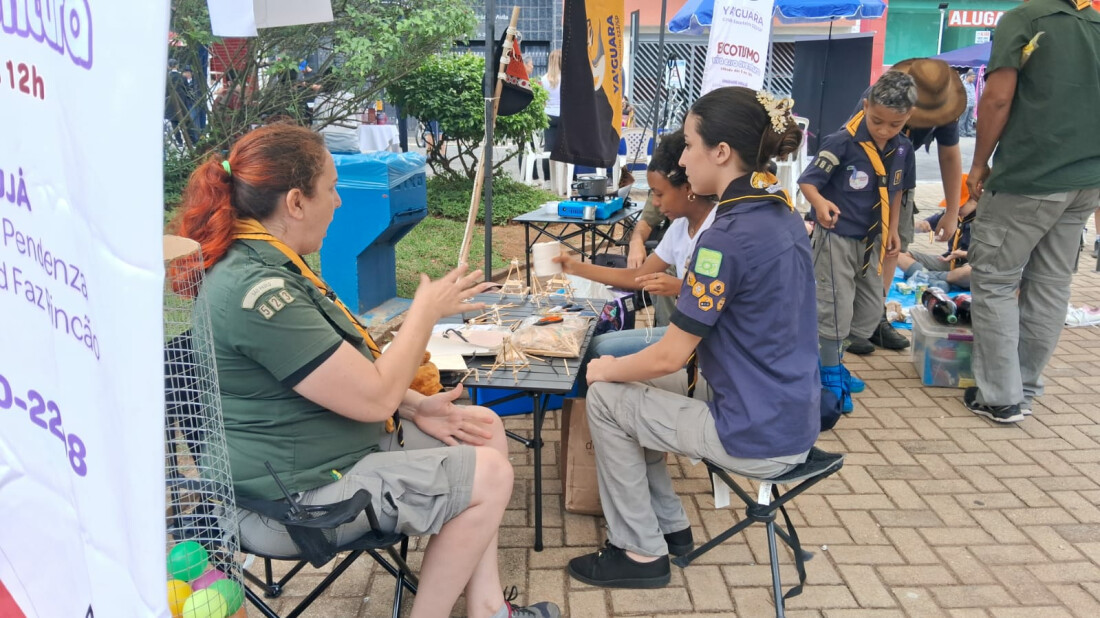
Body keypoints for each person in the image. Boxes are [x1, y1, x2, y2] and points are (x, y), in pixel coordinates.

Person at [172, 123, 560, 618]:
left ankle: (487, 608)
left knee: (483, 429)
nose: (338, 202)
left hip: (322, 453)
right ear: (296, 202)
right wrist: (423, 313)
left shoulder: (267, 262)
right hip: (289, 498)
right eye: (331, 188)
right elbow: (373, 397)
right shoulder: (257, 291)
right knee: (488, 476)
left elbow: (334, 375)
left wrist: (416, 406)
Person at [566, 87, 819, 589]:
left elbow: (668, 355)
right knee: (635, 390)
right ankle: (670, 528)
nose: (682, 159)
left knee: (606, 397)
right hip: (791, 413)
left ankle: (639, 552)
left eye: (688, 144)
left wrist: (604, 368)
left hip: (755, 431)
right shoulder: (782, 212)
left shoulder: (725, 236)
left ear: (720, 152)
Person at [963, 0, 1100, 423]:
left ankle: (1000, 397)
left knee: (995, 280)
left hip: (1029, 177)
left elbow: (997, 99)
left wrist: (979, 163)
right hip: (1085, 181)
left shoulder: (1024, 19)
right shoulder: (1095, 23)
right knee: (1051, 285)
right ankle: (1022, 387)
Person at [553, 130, 716, 389]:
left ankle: (594, 406)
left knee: (597, 353)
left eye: (659, 194)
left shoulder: (718, 229)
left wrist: (679, 287)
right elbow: (637, 277)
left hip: (708, 344)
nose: (656, 204)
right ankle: (587, 408)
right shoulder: (680, 227)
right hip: (686, 336)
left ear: (687, 189)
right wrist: (574, 266)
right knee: (594, 346)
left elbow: (721, 299)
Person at [799, 71, 916, 411]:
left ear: (908, 117)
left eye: (894, 124)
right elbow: (808, 182)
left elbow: (896, 190)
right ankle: (829, 373)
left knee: (867, 312)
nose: (884, 130)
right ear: (865, 106)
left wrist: (893, 229)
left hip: (872, 240)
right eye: (877, 121)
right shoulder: (842, 142)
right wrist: (820, 203)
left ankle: (829, 361)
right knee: (833, 306)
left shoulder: (903, 148)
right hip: (836, 237)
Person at [846, 59, 967, 354]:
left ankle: (874, 318)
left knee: (893, 247)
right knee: (856, 247)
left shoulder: (943, 103)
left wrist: (952, 212)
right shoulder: (879, 98)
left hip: (900, 181)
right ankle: (847, 321)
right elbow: (848, 147)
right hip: (861, 178)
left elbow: (949, 156)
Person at [897, 197, 977, 291]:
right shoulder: (953, 213)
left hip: (972, 262)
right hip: (949, 260)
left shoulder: (986, 219)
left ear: (974, 199)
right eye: (953, 204)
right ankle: (935, 280)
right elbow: (925, 223)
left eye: (961, 205)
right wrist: (919, 226)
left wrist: (965, 254)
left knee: (972, 272)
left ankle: (927, 277)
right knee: (898, 255)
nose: (956, 208)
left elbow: (991, 257)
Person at [541, 50, 563, 192]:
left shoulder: (544, 79)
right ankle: (565, 179)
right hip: (563, 117)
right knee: (565, 148)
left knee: (548, 148)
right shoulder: (566, 78)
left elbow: (543, 100)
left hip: (548, 116)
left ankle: (548, 179)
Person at [959, 72, 977, 137]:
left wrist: (975, 101)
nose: (974, 79)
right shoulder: (963, 84)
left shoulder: (972, 85)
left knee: (970, 119)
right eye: (972, 77)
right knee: (963, 119)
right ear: (968, 76)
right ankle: (961, 132)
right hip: (965, 104)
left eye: (974, 77)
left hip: (971, 104)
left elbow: (973, 94)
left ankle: (968, 131)